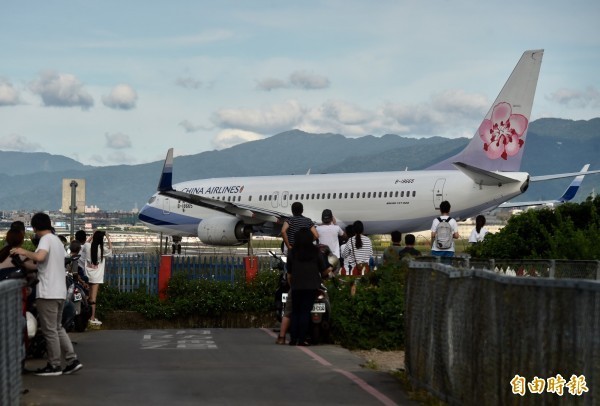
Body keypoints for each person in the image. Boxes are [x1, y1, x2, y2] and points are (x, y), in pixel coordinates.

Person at [11, 212, 83, 376]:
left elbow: (40, 257)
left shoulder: (45, 240)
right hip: (59, 292)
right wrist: (25, 262)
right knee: (57, 328)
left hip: (47, 292)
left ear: (35, 227)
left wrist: (23, 252)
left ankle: (54, 365)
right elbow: (41, 264)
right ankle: (72, 360)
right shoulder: (56, 241)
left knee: (49, 330)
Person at [277, 202, 318, 344]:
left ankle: (291, 337)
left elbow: (283, 231)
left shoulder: (290, 220)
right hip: (308, 261)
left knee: (294, 308)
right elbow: (316, 234)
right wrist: (307, 243)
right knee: (305, 310)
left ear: (292, 210)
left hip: (294, 253)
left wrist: (289, 245)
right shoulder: (307, 221)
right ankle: (302, 337)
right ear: (302, 210)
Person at [286, 228, 328, 346]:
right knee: (305, 312)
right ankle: (302, 339)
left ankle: (293, 339)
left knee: (296, 312)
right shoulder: (316, 251)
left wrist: (292, 284)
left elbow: (289, 273)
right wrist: (328, 270)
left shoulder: (292, 252)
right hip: (311, 286)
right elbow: (323, 270)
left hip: (296, 285)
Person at [84, 230, 113, 326]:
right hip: (96, 277)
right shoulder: (102, 249)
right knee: (93, 298)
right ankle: (92, 317)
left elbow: (86, 243)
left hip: (87, 275)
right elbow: (110, 250)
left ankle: (85, 317)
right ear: (101, 239)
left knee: (87, 297)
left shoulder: (87, 246)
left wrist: (92, 235)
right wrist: (108, 237)